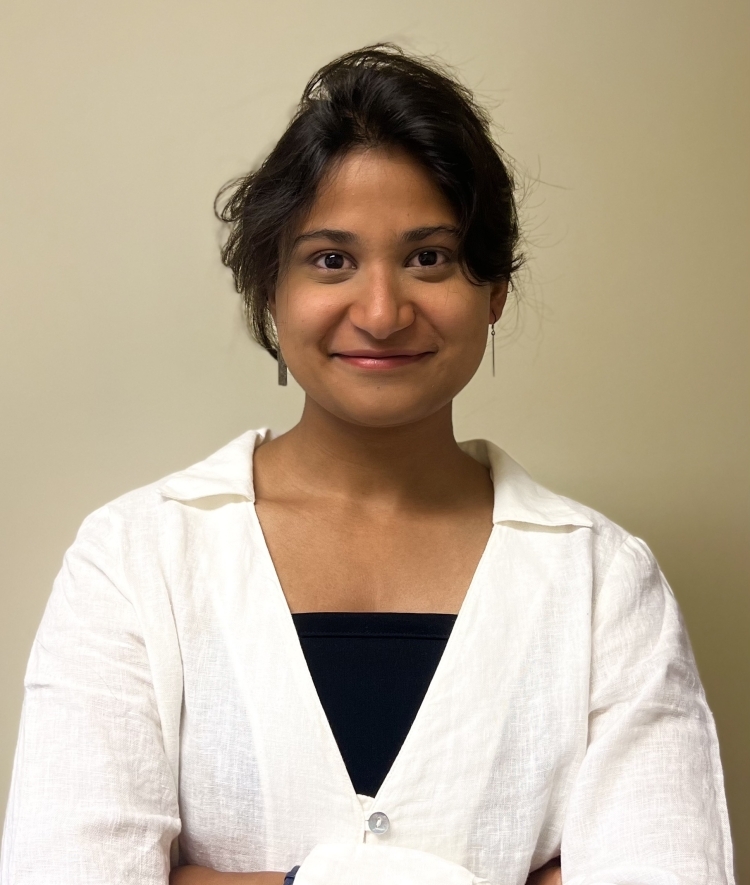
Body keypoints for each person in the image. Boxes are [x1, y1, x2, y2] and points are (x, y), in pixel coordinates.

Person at [0, 45, 734, 885]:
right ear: (268, 292)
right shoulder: (134, 560)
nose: (382, 312)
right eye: (331, 259)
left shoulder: (604, 581)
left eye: (429, 257)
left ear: (493, 289)